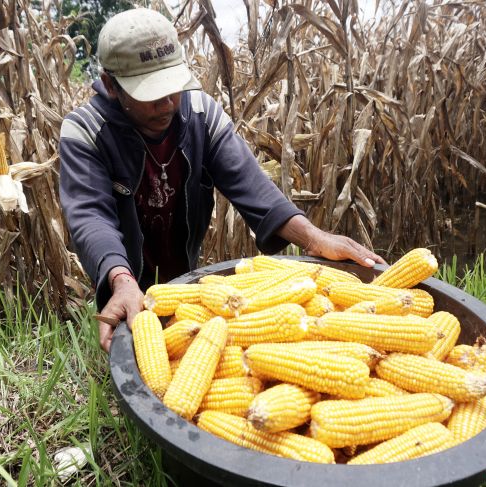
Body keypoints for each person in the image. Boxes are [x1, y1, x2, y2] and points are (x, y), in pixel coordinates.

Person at [58, 8, 385, 352]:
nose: (167, 102)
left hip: (183, 282)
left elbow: (252, 185)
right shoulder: (86, 132)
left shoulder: (200, 114)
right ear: (111, 85)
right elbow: (91, 217)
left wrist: (314, 238)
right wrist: (121, 281)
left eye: (172, 87)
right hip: (124, 280)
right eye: (150, 94)